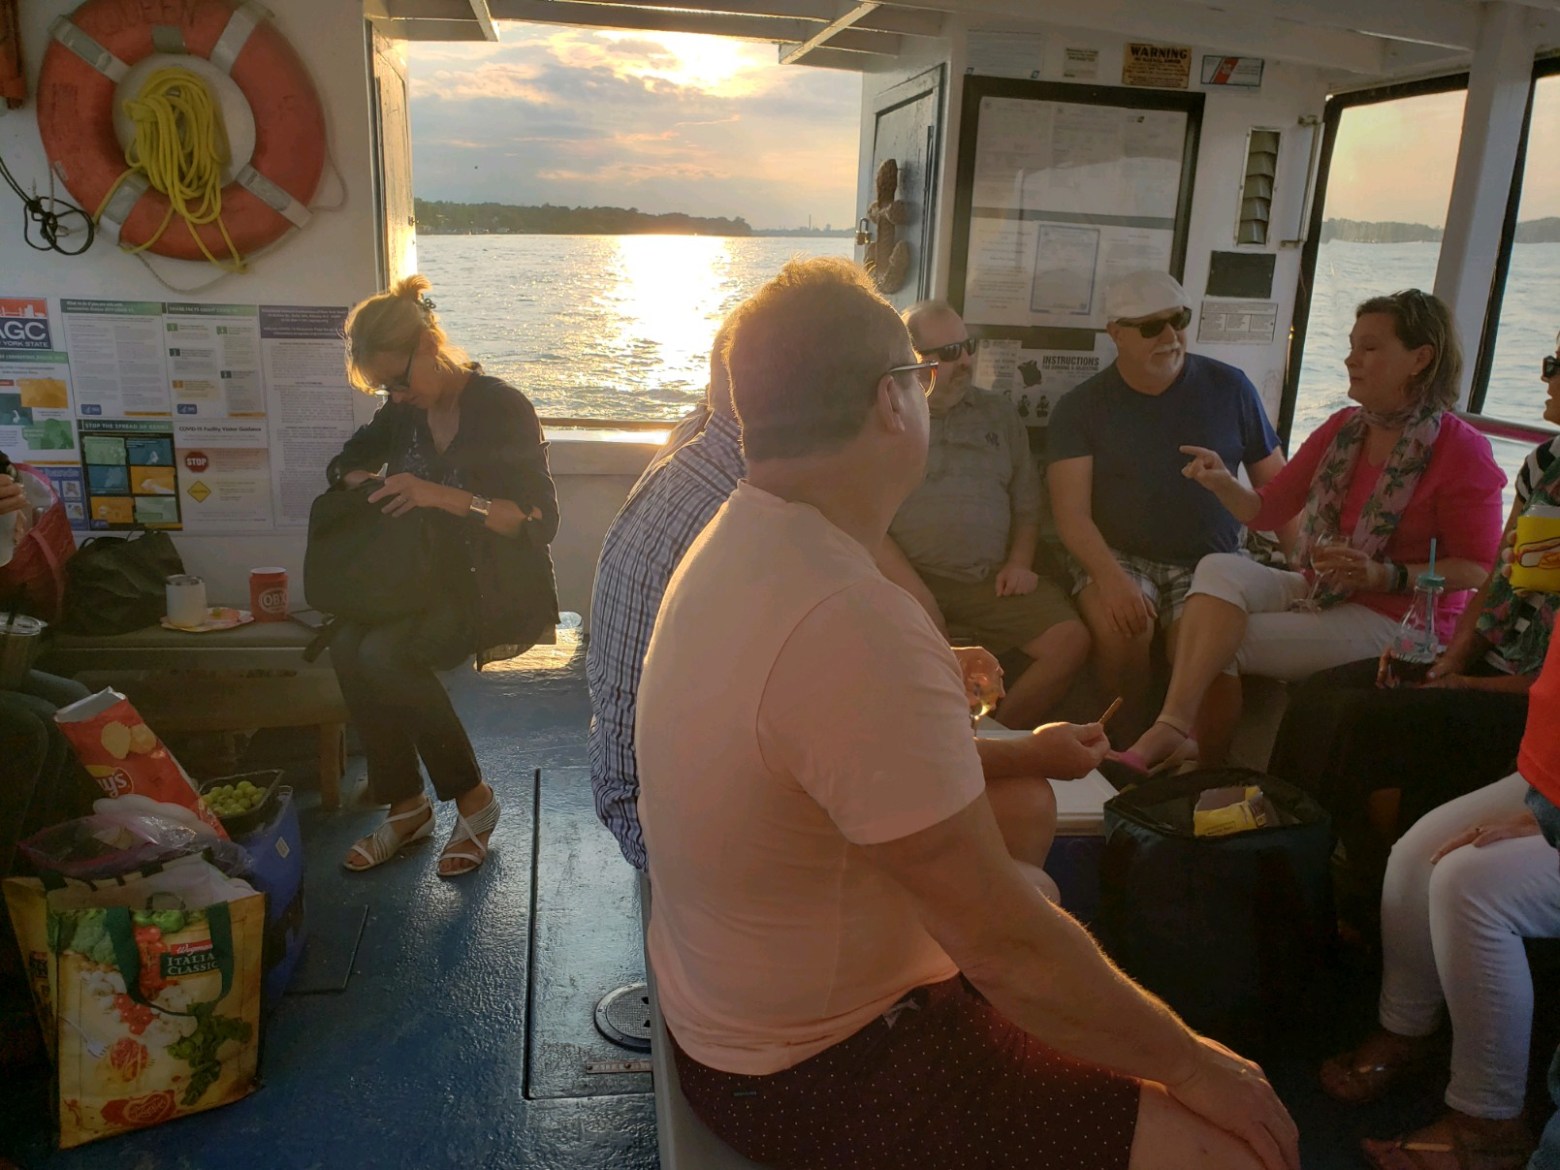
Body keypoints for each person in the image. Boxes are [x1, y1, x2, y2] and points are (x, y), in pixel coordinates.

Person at [637, 256, 1299, 1170]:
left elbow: (827, 769)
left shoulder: (741, 540)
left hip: (729, 1012)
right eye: (917, 375)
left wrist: (1025, 754)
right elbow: (1007, 951)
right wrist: (1197, 1066)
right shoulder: (851, 616)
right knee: (1235, 1150)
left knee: (1024, 823)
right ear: (889, 402)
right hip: (819, 1070)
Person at [589, 312, 1088, 874]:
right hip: (681, 830)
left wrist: (928, 662)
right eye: (915, 376)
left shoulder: (695, 454)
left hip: (629, 779)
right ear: (884, 400)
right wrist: (1032, 751)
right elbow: (879, 740)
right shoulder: (778, 514)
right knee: (1025, 820)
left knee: (1014, 805)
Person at [1117, 289, 1505, 774]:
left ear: (1420, 359)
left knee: (1222, 642)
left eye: (1369, 348)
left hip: (1399, 618)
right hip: (1326, 589)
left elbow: (1479, 568)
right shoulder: (1344, 429)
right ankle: (1175, 732)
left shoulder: (1461, 450)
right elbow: (1264, 511)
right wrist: (1220, 482)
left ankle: (1202, 764)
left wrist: (1385, 575)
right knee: (1216, 567)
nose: (1350, 360)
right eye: (1351, 346)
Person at [1270, 338, 1560, 880]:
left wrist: (1469, 687)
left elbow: (1549, 681)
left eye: (1555, 367)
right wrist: (1452, 659)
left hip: (1531, 697)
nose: (1545, 376)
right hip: (1488, 658)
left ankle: (1354, 882)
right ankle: (1284, 860)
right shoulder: (1545, 463)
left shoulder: (1462, 450)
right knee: (1318, 696)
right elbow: (1497, 575)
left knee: (1360, 723)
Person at [327, 275, 559, 877]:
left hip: (485, 582)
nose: (396, 396)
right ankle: (407, 808)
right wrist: (375, 487)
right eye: (384, 387)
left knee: (387, 654)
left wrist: (442, 497)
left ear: (430, 343)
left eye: (399, 381)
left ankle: (474, 802)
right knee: (349, 646)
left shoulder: (501, 407)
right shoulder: (402, 415)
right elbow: (345, 464)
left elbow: (538, 521)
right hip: (415, 578)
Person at [1317, 626, 1560, 1170]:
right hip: (1550, 782)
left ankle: (1490, 1124)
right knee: (1416, 854)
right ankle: (1405, 1033)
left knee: (1469, 884)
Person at [1047, 271, 1288, 740]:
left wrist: (1307, 571)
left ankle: (1204, 775)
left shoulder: (1232, 388)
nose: (1169, 336)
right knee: (1124, 633)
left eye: (1178, 319)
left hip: (1212, 560)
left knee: (1210, 661)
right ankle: (1123, 749)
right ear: (1115, 333)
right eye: (1149, 326)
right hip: (1119, 555)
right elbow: (1070, 515)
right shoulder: (1081, 408)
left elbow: (1280, 495)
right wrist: (1111, 581)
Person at [889, 301, 1089, 728]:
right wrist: (925, 603)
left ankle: (999, 744)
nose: (964, 361)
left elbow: (1027, 505)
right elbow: (867, 528)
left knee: (1069, 641)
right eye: (948, 353)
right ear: (912, 362)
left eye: (968, 346)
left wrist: (1020, 562)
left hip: (987, 581)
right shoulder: (888, 420)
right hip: (905, 580)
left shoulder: (999, 414)